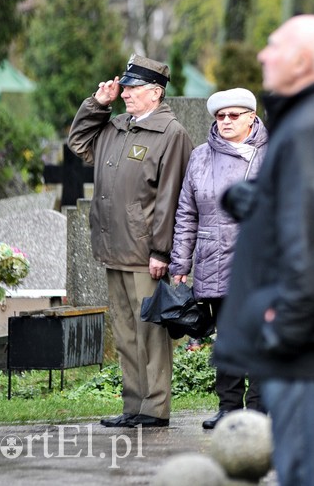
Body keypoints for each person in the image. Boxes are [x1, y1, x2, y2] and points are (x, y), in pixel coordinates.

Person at [211, 15, 314, 486]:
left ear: (302, 61)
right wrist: (257, 201)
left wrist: (284, 324)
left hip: (304, 341)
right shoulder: (310, 119)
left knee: (307, 471)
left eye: (274, 46)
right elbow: (305, 209)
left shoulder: (309, 126)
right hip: (308, 334)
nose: (262, 54)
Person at [68, 54, 193, 428]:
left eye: (134, 87)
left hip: (145, 254)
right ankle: (134, 405)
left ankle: (155, 408)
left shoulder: (172, 134)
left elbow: (172, 197)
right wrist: (97, 105)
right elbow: (78, 143)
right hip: (115, 248)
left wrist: (162, 250)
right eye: (126, 86)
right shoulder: (116, 126)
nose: (126, 93)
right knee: (124, 333)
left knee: (151, 334)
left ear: (155, 92)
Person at [169, 88, 269, 430]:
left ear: (252, 117)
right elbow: (186, 212)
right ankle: (228, 407)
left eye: (234, 115)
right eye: (220, 116)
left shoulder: (271, 154)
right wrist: (180, 264)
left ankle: (257, 409)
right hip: (215, 258)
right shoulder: (200, 156)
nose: (226, 121)